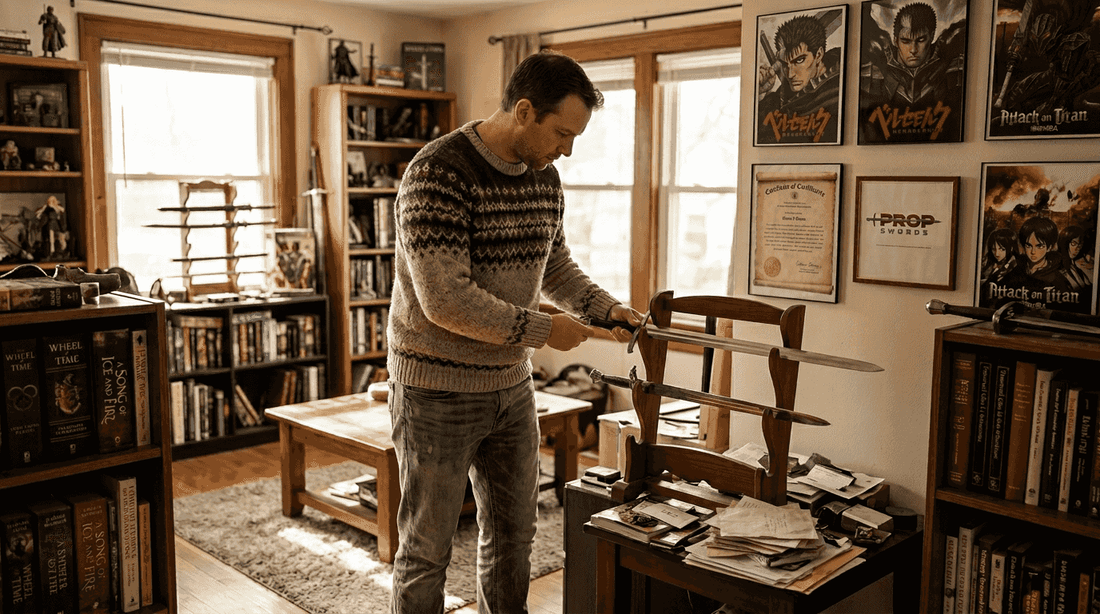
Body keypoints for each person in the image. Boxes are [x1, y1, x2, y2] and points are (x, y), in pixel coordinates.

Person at [386, 49, 641, 613]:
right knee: (427, 550)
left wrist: (605, 309)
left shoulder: (544, 180)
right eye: (562, 133)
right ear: (524, 111)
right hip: (436, 391)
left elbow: (553, 266)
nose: (567, 150)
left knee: (513, 538)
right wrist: (543, 330)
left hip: (511, 389)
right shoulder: (438, 173)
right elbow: (445, 301)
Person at [858, 2, 966, 142]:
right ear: (896, 40)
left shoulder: (950, 65)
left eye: (920, 40)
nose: (913, 50)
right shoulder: (877, 68)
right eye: (906, 41)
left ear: (932, 36)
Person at [756, 13, 842, 144]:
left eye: (799, 60)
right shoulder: (781, 95)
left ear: (818, 54)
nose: (790, 74)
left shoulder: (840, 88)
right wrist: (760, 93)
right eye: (785, 64)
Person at [1058, 225, 1093, 292]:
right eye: (1074, 243)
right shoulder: (1060, 267)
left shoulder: (1075, 266)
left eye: (1080, 244)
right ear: (1065, 243)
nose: (1077, 248)